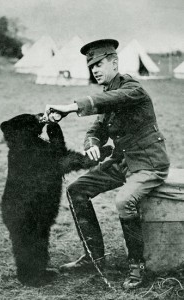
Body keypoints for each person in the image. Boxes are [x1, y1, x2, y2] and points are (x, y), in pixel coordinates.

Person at [43, 39, 170, 289]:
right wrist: (91, 142)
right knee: (76, 190)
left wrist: (70, 107)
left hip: (147, 164)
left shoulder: (132, 88)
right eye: (92, 67)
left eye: (99, 64)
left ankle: (137, 265)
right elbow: (98, 127)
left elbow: (114, 99)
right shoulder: (107, 95)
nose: (95, 70)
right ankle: (94, 258)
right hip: (122, 162)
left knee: (125, 201)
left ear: (114, 62)